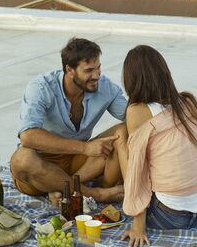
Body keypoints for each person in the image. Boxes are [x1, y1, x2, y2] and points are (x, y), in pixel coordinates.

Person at [10, 37, 128, 203]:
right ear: (69, 69)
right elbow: (28, 136)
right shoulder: (41, 87)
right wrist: (85, 147)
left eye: (98, 68)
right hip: (41, 163)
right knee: (22, 160)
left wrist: (167, 104)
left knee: (123, 131)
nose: (96, 76)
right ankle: (97, 194)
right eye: (88, 71)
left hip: (79, 165)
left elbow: (133, 116)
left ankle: (60, 187)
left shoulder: (105, 87)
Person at [117, 45, 197, 247]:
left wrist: (137, 224)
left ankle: (127, 203)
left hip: (169, 217)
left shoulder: (138, 111)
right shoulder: (187, 103)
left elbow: (137, 169)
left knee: (121, 140)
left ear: (132, 78)